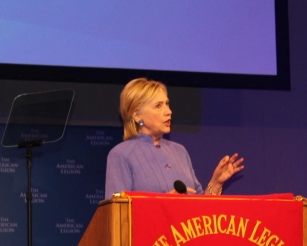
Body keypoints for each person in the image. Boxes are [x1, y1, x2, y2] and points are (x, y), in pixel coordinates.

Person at [104, 78, 244, 196]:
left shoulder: (179, 152)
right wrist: (166, 203)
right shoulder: (121, 155)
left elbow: (200, 208)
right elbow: (117, 215)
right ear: (137, 116)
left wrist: (216, 183)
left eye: (167, 104)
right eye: (158, 106)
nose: (169, 112)